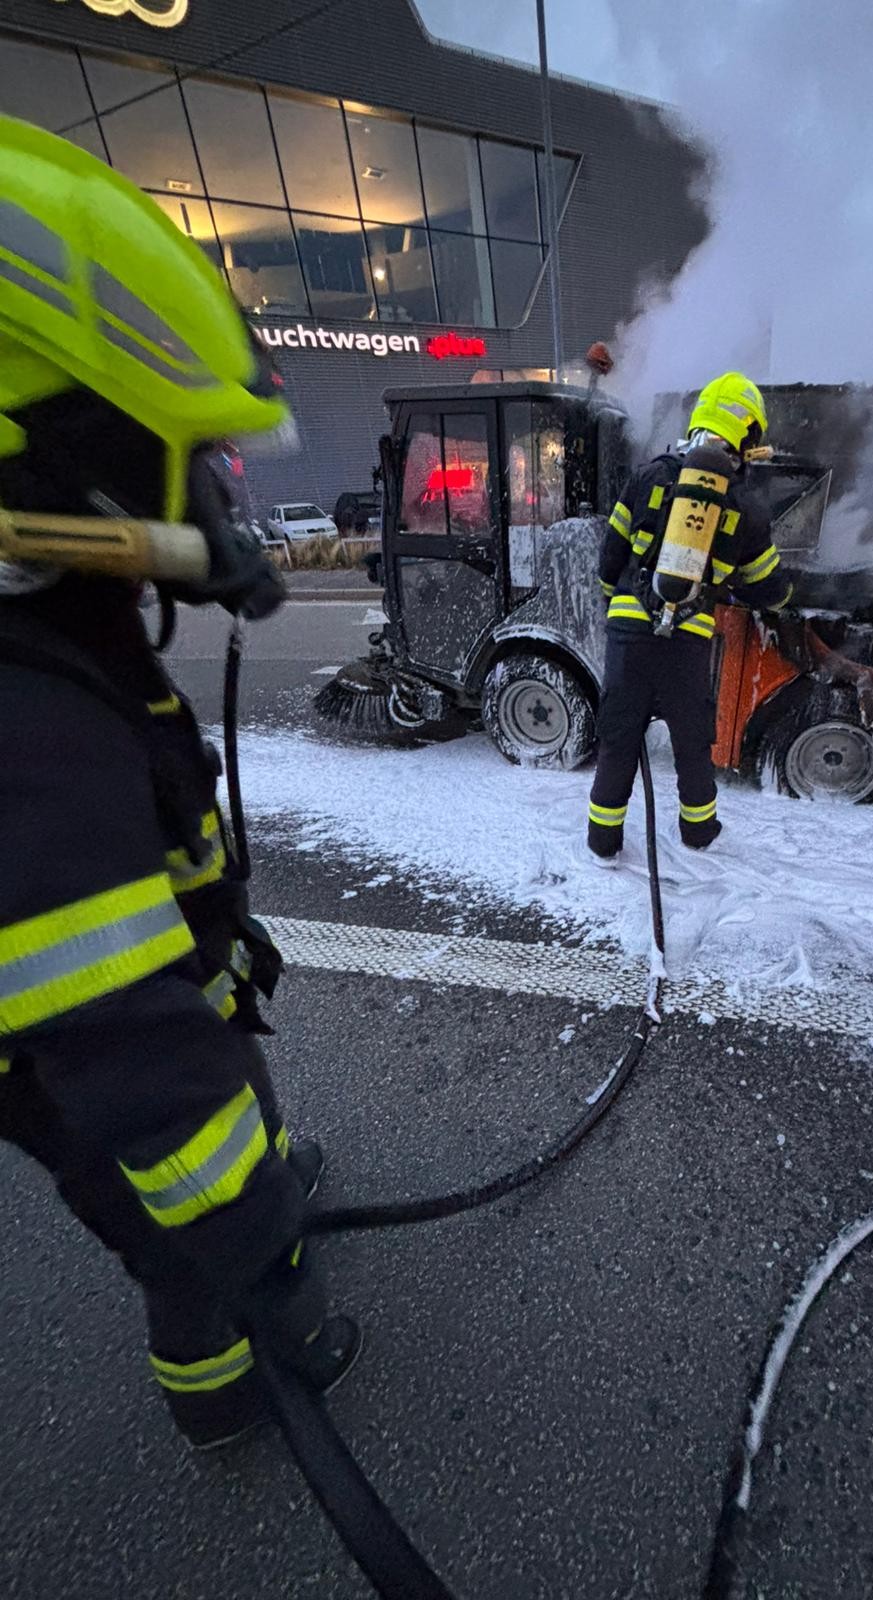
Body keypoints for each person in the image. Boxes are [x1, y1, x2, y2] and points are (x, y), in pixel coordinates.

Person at [0, 116, 359, 1450]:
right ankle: (235, 1385)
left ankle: (244, 1207)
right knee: (178, 1229)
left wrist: (221, 937)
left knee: (216, 1140)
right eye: (183, 460)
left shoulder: (51, 626)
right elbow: (121, 1041)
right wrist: (250, 1231)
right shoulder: (16, 709)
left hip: (156, 1016)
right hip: (91, 1073)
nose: (216, 500)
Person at [587, 371, 793, 858]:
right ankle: (698, 832)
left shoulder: (650, 475)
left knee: (618, 737)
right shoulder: (743, 504)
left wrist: (613, 602)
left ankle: (603, 840)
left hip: (628, 634)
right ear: (748, 434)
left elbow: (609, 556)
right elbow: (768, 587)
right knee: (692, 741)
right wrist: (780, 596)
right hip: (688, 638)